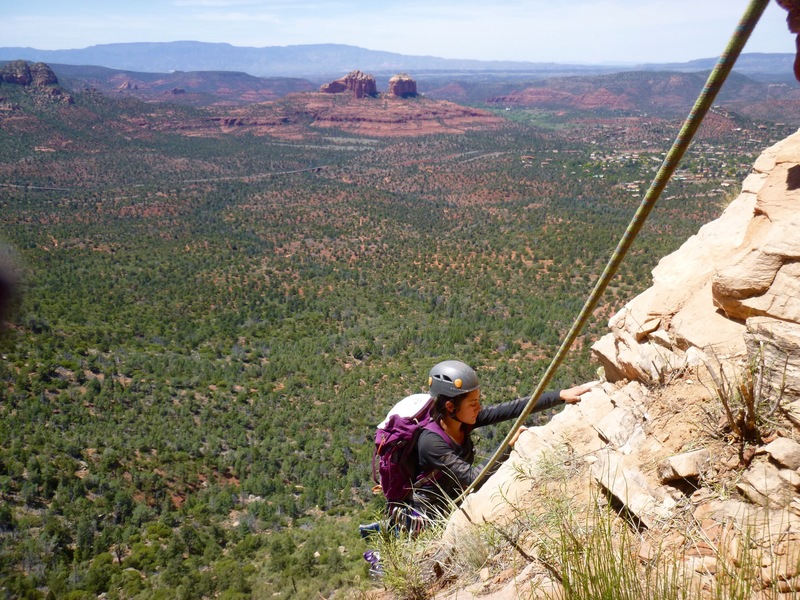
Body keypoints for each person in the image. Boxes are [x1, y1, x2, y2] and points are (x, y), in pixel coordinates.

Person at [411, 359, 590, 521]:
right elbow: (474, 478)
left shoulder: (462, 420)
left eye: (478, 401)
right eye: (473, 404)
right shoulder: (431, 443)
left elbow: (514, 408)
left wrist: (559, 395)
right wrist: (507, 446)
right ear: (450, 406)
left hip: (449, 505)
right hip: (426, 516)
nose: (479, 408)